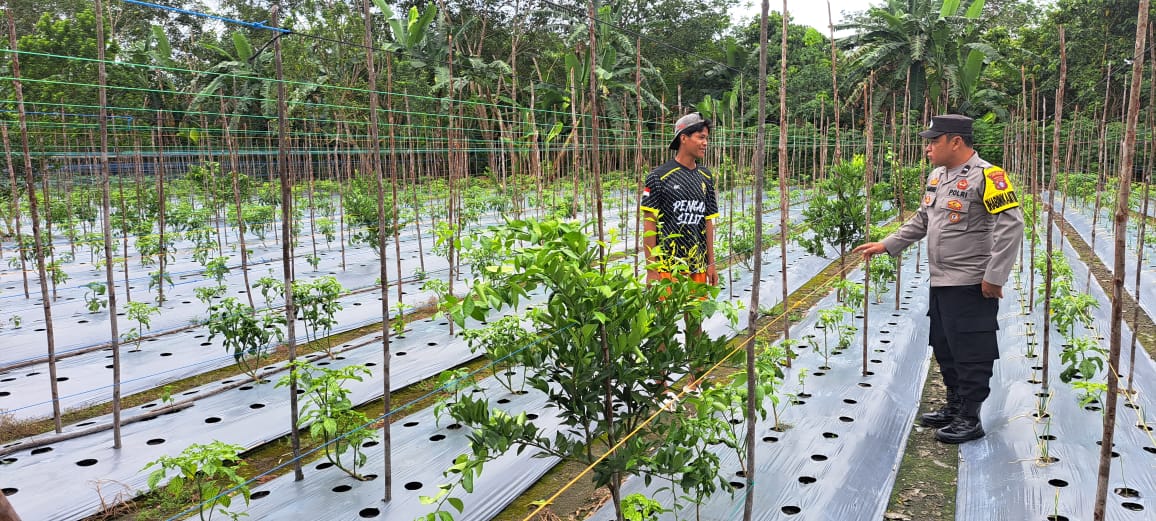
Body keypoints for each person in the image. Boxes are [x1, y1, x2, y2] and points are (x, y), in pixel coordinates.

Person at [853, 114, 1024, 444]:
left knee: (972, 349)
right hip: (942, 280)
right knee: (945, 346)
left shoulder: (989, 177)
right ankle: (954, 405)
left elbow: (1011, 226)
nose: (928, 147)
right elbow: (922, 219)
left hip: (972, 282)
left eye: (934, 141)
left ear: (955, 142)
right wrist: (887, 244)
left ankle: (970, 417)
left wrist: (995, 276)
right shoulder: (938, 176)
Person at [641, 112, 719, 408]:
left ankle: (695, 379)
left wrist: (712, 263)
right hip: (668, 265)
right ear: (683, 138)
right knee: (663, 325)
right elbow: (649, 224)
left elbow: (709, 222)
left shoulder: (705, 177)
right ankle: (661, 386)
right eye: (700, 137)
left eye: (706, 138)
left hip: (697, 264)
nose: (704, 143)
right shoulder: (659, 177)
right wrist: (651, 268)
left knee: (695, 322)